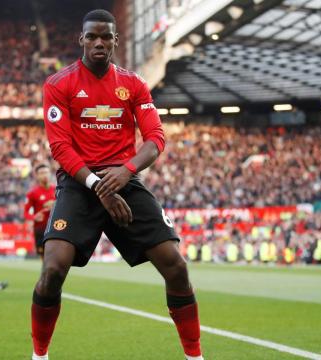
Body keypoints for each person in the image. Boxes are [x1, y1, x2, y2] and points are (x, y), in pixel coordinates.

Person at [30, 9, 203, 360]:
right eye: (92, 36)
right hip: (80, 184)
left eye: (105, 37)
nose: (98, 43)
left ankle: (195, 356)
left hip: (123, 179)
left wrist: (125, 172)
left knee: (176, 266)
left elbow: (155, 138)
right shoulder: (59, 84)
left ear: (115, 41)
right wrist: (99, 186)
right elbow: (60, 148)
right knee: (51, 270)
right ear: (81, 39)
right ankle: (40, 355)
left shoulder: (134, 84)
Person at [24, 164, 56, 259]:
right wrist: (34, 217)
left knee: (57, 256)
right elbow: (26, 212)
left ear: (50, 174)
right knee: (44, 258)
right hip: (40, 229)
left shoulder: (58, 190)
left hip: (56, 227)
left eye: (46, 172)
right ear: (37, 176)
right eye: (41, 173)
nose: (44, 175)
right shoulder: (32, 193)